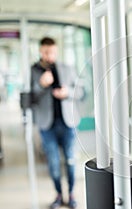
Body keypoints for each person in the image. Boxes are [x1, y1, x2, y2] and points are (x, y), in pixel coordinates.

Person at [31, 37, 84, 209]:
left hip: (68, 123)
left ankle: (72, 194)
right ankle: (59, 194)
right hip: (47, 126)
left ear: (57, 51)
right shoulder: (34, 70)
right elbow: (29, 97)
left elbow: (81, 92)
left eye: (52, 52)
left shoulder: (67, 68)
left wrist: (68, 92)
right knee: (53, 163)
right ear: (41, 51)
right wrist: (40, 84)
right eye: (46, 52)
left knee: (70, 160)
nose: (50, 55)